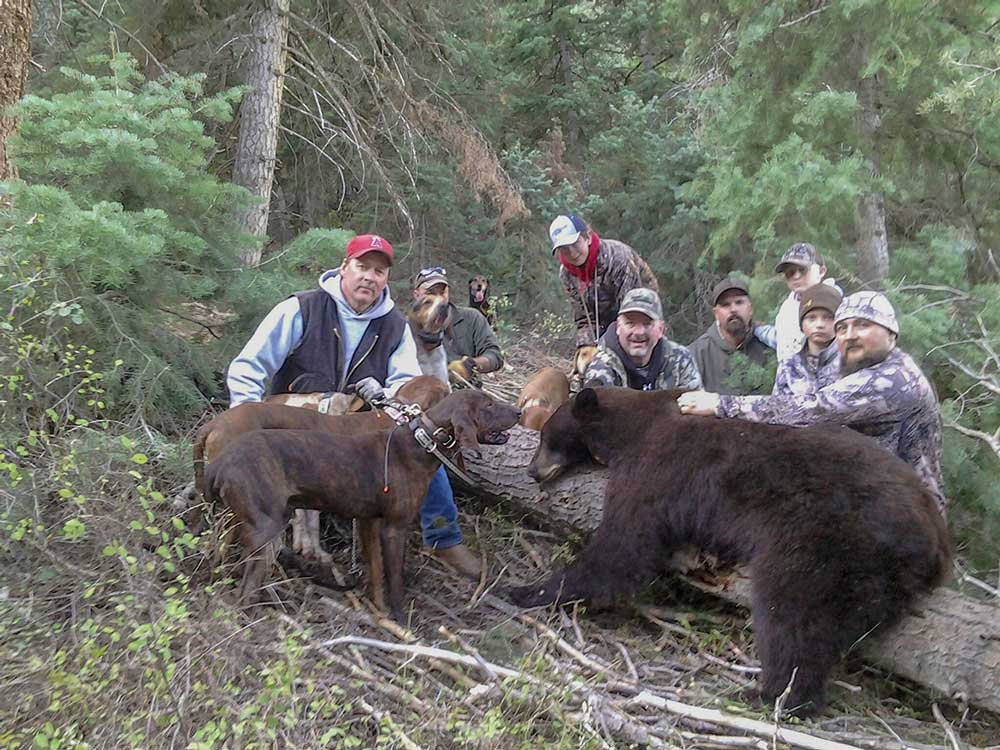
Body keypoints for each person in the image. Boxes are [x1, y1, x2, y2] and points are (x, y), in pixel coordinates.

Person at [226, 233, 483, 577]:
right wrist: (245, 422)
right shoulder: (301, 308)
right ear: (344, 267)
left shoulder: (395, 326)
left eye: (378, 271)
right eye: (362, 267)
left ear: (386, 279)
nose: (369, 277)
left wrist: (385, 396)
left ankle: (443, 538)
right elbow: (248, 368)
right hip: (295, 427)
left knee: (421, 445)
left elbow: (407, 388)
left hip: (357, 434)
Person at [677, 291, 946, 516]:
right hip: (879, 502)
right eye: (842, 328)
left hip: (909, 517)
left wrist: (720, 404)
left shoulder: (894, 380)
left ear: (891, 333)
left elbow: (813, 408)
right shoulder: (863, 367)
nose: (850, 335)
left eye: (863, 325)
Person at [549, 214, 658, 350]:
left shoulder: (618, 258)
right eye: (564, 248)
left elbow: (632, 313)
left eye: (575, 243)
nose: (571, 252)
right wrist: (586, 347)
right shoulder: (566, 274)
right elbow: (585, 319)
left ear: (587, 237)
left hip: (640, 317)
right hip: (605, 320)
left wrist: (607, 343)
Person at [584, 288, 702, 391]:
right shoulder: (601, 366)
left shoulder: (680, 359)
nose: (639, 332)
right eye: (630, 323)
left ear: (661, 329)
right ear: (618, 327)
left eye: (647, 324)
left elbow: (696, 403)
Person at [411, 266, 504, 385]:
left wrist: (470, 365)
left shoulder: (471, 318)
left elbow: (495, 355)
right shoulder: (406, 328)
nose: (438, 299)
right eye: (430, 293)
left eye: (442, 292)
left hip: (465, 392)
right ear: (417, 294)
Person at [687, 278, 774, 394]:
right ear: (716, 314)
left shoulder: (769, 347)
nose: (733, 310)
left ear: (750, 309)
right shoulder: (696, 354)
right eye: (725, 305)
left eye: (739, 302)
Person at [756, 242, 840, 362]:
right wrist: (758, 330)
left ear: (821, 271)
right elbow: (782, 339)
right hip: (788, 372)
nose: (796, 276)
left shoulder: (836, 303)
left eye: (803, 270)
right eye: (790, 272)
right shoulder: (789, 305)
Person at [772, 283, 842, 396]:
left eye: (828, 317)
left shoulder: (849, 361)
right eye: (811, 318)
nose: (819, 324)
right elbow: (776, 403)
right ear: (801, 323)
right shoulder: (789, 365)